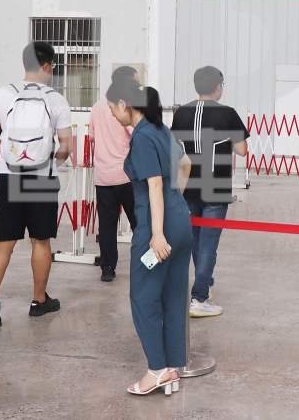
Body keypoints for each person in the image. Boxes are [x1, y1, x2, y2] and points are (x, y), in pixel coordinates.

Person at [105, 77, 192, 396]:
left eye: (112, 108)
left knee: (143, 296)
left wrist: (157, 233)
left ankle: (157, 370)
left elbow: (154, 184)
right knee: (173, 295)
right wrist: (175, 203)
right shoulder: (162, 129)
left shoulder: (142, 137)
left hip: (158, 227)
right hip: (179, 219)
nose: (111, 113)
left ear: (124, 105)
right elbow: (186, 165)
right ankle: (171, 368)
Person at [0, 42, 72, 326]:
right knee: (40, 240)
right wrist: (46, 163)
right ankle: (38, 300)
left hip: (10, 176)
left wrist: (11, 158)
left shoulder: (4, 93)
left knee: (4, 238)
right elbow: (66, 146)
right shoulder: (56, 99)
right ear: (46, 66)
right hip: (42, 178)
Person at [170, 66, 248, 318]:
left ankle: (205, 285)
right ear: (218, 87)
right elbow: (242, 150)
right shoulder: (228, 114)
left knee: (197, 240)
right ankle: (200, 298)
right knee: (208, 244)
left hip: (188, 186)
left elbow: (174, 148)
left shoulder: (181, 113)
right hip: (216, 187)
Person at [89, 65, 140, 282]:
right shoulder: (126, 105)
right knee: (139, 222)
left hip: (103, 175)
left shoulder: (97, 106)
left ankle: (107, 268)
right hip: (126, 175)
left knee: (107, 224)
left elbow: (92, 137)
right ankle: (147, 263)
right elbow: (137, 134)